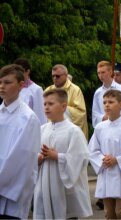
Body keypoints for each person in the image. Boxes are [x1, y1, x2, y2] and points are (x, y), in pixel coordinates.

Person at [34, 89, 92, 219]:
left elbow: (80, 158)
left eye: (51, 104)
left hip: (63, 188)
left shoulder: (73, 131)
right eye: (45, 104)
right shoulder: (42, 129)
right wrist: (38, 158)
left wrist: (58, 156)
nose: (46, 107)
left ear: (63, 106)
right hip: (45, 184)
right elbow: (33, 154)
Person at [89, 89, 121, 219]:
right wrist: (103, 159)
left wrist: (117, 160)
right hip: (106, 173)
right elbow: (93, 150)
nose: (107, 105)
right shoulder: (100, 128)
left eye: (111, 102)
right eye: (105, 102)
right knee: (109, 213)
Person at [0, 64, 41, 219]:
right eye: (0, 82)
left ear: (21, 85)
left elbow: (20, 160)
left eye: (7, 82)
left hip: (13, 194)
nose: (2, 86)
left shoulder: (28, 118)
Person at [45, 64, 89, 138]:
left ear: (65, 75)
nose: (55, 78)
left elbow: (81, 113)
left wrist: (61, 108)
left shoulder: (75, 90)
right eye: (53, 76)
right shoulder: (48, 90)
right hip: (51, 130)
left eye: (58, 76)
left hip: (69, 134)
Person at [92, 60, 121, 128]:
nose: (100, 75)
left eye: (103, 72)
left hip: (120, 128)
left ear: (110, 72)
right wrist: (103, 117)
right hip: (104, 127)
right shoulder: (98, 92)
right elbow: (95, 113)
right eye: (98, 73)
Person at [13, 58, 47, 124]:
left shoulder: (36, 89)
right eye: (15, 72)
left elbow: (40, 116)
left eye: (20, 72)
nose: (17, 75)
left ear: (28, 71)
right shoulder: (13, 88)